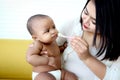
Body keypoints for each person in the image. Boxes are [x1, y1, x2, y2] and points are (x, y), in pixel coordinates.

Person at [56, 0, 120, 80]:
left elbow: (114, 77)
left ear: (111, 24)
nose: (85, 22)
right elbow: (52, 42)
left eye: (94, 22)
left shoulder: (115, 45)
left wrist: (87, 58)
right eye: (86, 12)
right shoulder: (74, 25)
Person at [26, 14, 78, 80]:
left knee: (72, 77)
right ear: (36, 37)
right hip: (43, 74)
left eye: (53, 27)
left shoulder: (53, 42)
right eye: (47, 31)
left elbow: (55, 52)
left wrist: (62, 48)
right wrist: (47, 60)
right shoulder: (37, 44)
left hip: (58, 72)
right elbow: (30, 58)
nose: (53, 31)